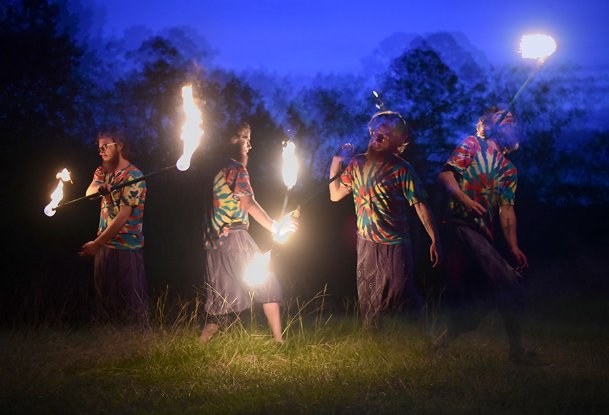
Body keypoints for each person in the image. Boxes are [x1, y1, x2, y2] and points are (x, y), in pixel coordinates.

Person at [431, 106, 545, 365]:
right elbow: (445, 175)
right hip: (458, 224)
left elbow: (506, 210)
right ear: (488, 124)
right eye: (504, 117)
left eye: (513, 119)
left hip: (482, 233)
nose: (510, 121)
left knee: (481, 298)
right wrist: (464, 199)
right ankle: (517, 353)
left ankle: (440, 345)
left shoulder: (509, 170)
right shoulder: (473, 144)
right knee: (509, 283)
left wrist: (514, 246)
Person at [329, 111, 441, 328]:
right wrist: (335, 163)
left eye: (385, 134)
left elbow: (420, 205)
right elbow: (334, 195)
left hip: (396, 244)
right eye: (375, 133)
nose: (377, 137)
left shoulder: (402, 169)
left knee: (402, 291)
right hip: (366, 242)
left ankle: (426, 335)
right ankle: (373, 341)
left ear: (398, 141)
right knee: (368, 296)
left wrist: (435, 239)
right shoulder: (357, 164)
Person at [199, 121, 296, 343]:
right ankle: (279, 341)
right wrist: (274, 226)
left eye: (250, 140)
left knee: (222, 299)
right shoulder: (236, 169)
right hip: (234, 237)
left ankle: (200, 344)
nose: (249, 145)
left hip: (214, 244)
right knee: (268, 283)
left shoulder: (213, 170)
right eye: (245, 138)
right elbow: (248, 203)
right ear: (230, 141)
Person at [79, 129, 148, 326]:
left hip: (126, 248)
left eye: (105, 147)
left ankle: (139, 348)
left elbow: (123, 217)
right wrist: (100, 189)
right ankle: (109, 349)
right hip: (104, 248)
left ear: (120, 145)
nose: (101, 151)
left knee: (133, 307)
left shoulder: (134, 176)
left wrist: (96, 243)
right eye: (99, 148)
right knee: (106, 306)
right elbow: (89, 192)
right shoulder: (103, 171)